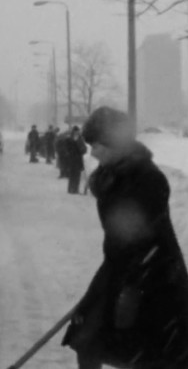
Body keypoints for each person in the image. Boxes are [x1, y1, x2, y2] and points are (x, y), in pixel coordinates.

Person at [63, 106, 188, 368]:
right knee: (86, 336)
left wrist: (130, 288)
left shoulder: (147, 179)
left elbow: (147, 240)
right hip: (118, 269)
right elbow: (117, 241)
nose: (92, 152)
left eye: (97, 145)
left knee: (155, 352)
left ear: (116, 144)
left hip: (153, 277)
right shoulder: (111, 177)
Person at [65, 126, 87, 194]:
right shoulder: (69, 139)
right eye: (75, 131)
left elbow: (84, 149)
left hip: (78, 159)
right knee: (72, 175)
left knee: (77, 175)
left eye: (77, 131)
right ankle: (71, 189)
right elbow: (67, 149)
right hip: (72, 159)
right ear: (73, 132)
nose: (77, 133)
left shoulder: (80, 139)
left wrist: (82, 149)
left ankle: (75, 189)